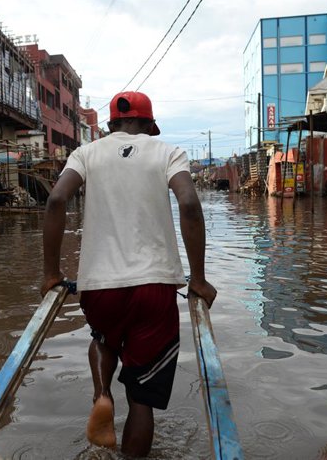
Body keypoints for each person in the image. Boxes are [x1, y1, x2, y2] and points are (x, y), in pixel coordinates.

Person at [41, 91, 217, 457]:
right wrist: (197, 278)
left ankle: (102, 393)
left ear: (110, 125)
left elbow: (56, 199)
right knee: (142, 400)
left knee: (104, 337)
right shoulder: (168, 152)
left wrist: (51, 272)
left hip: (99, 288)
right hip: (154, 288)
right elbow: (188, 203)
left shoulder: (85, 153)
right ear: (150, 125)